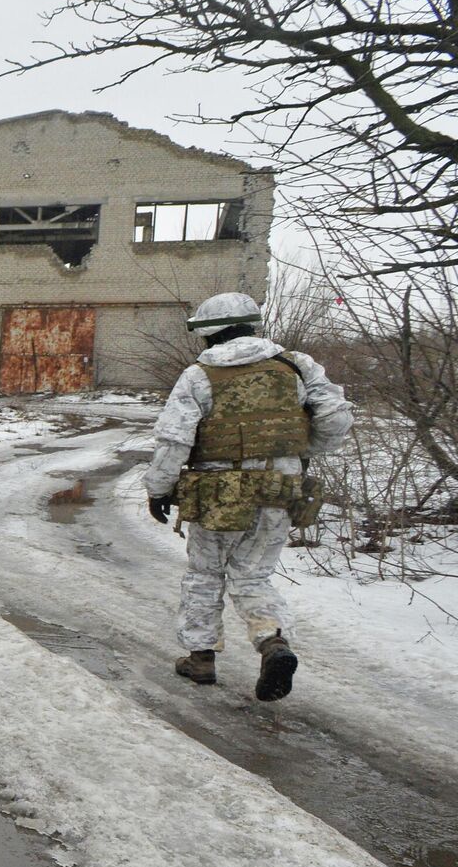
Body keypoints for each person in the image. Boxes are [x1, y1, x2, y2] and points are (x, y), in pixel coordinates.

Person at [143, 292, 353, 701]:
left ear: (208, 333)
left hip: (218, 493)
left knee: (206, 574)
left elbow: (173, 441)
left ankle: (200, 659)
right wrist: (303, 453)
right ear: (252, 325)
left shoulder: (199, 375)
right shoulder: (296, 365)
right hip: (278, 488)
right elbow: (335, 416)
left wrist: (160, 489)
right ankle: (272, 642)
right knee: (253, 574)